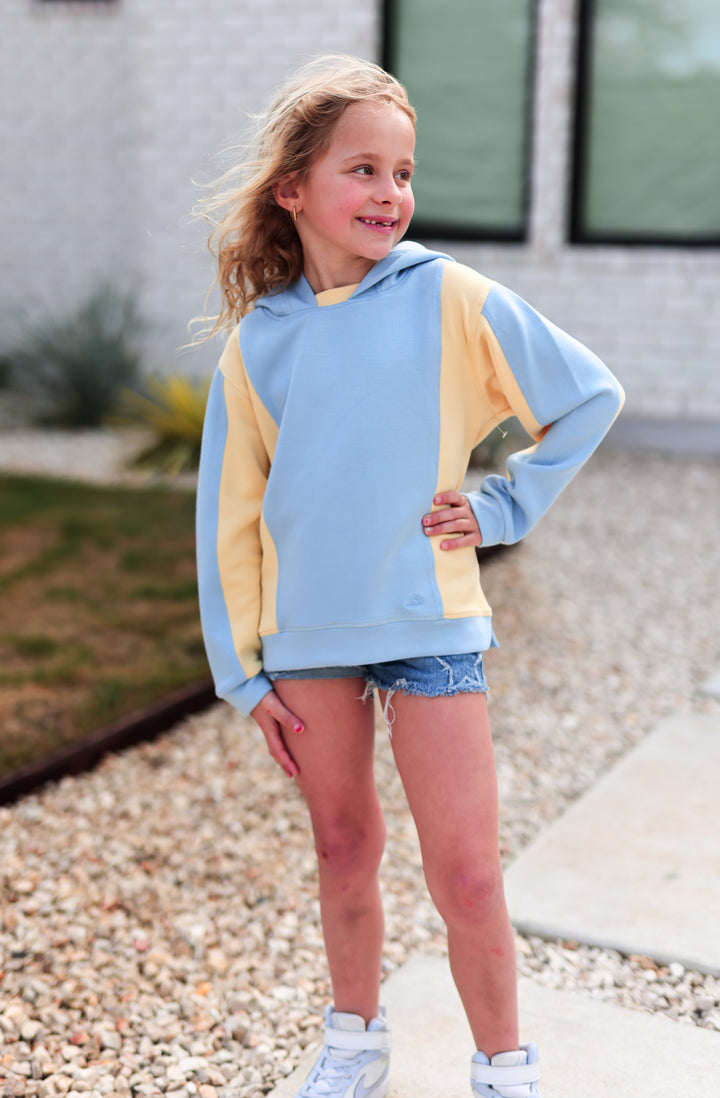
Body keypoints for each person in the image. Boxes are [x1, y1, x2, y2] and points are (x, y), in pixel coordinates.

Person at [195, 54, 624, 1098]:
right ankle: (355, 1043)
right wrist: (241, 674)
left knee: (468, 872)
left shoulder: (451, 299)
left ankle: (504, 1067)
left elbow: (589, 396)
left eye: (404, 171)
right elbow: (229, 521)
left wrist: (500, 502)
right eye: (364, 170)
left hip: (431, 626)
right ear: (292, 189)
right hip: (307, 644)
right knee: (345, 849)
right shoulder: (261, 344)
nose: (390, 192)